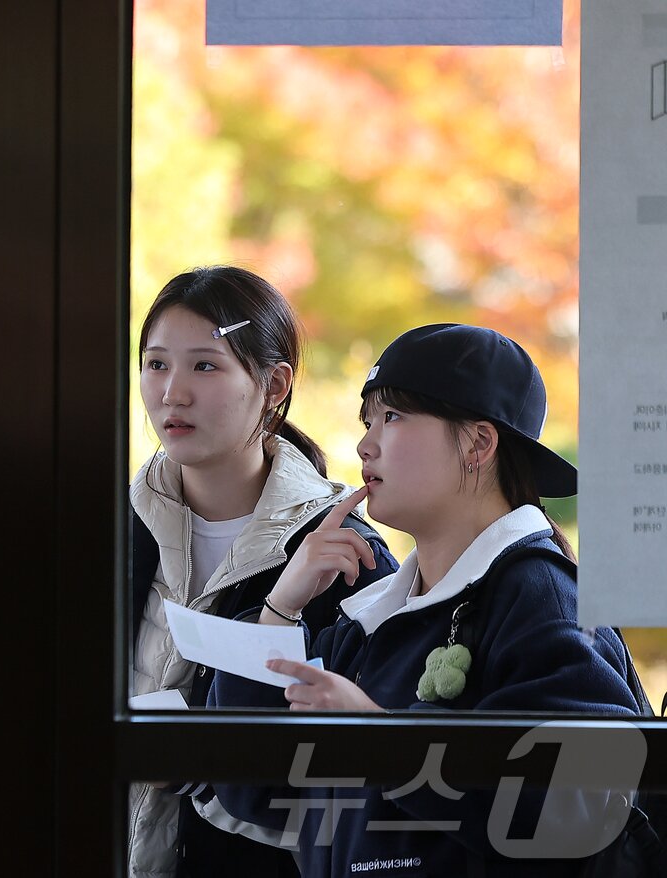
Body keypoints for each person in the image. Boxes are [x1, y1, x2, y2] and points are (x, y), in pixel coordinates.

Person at [207, 323, 643, 877]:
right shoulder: (371, 616)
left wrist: (380, 740)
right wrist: (280, 608)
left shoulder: (544, 597)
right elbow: (254, 788)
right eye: (368, 422)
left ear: (479, 445)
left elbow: (578, 803)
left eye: (392, 418)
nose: (365, 444)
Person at [128, 266, 397, 878]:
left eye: (204, 365)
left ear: (274, 384)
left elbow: (363, 783)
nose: (172, 392)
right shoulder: (115, 529)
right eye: (156, 363)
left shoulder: (339, 553)